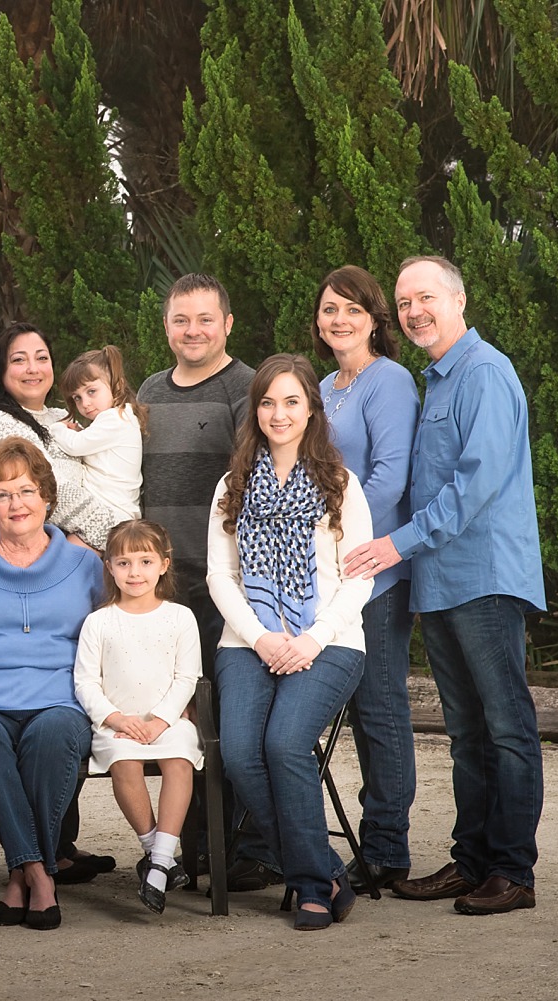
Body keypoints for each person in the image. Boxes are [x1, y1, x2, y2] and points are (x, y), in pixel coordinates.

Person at [346, 255, 545, 916]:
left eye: (425, 297)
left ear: (458, 299)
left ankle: (513, 870)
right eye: (404, 302)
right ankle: (473, 861)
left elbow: (472, 489)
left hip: (484, 579)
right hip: (442, 584)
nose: (414, 311)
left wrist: (392, 544)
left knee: (507, 728)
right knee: (468, 733)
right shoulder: (439, 379)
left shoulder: (484, 373)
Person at [206, 353, 373, 930]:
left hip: (329, 642)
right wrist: (259, 637)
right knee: (238, 752)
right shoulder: (233, 486)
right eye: (268, 402)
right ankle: (325, 870)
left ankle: (308, 885)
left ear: (311, 411)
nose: (279, 413)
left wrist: (312, 639)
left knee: (283, 745)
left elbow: (360, 576)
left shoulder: (341, 486)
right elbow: (220, 576)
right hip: (247, 639)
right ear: (256, 411)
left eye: (292, 402)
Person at [137, 273, 265, 891]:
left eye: (205, 320)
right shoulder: (149, 390)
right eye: (181, 320)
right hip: (161, 585)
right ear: (166, 326)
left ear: (228, 324)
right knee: (178, 716)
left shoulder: (245, 387)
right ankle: (193, 852)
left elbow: (254, 478)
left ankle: (241, 847)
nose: (193, 331)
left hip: (222, 582)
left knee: (227, 716)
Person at [0, 437, 103, 930]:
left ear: (48, 498)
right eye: (2, 494)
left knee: (54, 734)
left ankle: (21, 874)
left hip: (61, 698)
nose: (16, 504)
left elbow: (114, 636)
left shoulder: (88, 566)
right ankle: (40, 872)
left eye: (27, 491)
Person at [312, 266, 420, 895]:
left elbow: (388, 479)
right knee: (344, 708)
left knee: (379, 708)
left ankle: (386, 847)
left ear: (375, 317)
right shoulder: (323, 385)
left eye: (352, 309)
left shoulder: (390, 381)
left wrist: (334, 536)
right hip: (324, 574)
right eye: (329, 309)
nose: (339, 320)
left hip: (373, 570)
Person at [74, 520, 203, 915]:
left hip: (167, 721)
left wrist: (161, 721)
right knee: (123, 764)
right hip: (118, 723)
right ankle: (159, 856)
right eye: (124, 563)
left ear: (164, 564)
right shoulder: (99, 621)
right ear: (109, 568)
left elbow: (187, 677)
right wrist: (114, 718)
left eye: (145, 561)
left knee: (180, 761)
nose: (135, 572)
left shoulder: (180, 617)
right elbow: (85, 682)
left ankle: (158, 862)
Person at [0, 323, 116, 550]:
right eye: (19, 360)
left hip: (74, 562)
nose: (33, 368)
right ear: (0, 370)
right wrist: (119, 530)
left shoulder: (61, 418)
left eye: (42, 358)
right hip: (16, 568)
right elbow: (50, 492)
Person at [52, 344, 145, 527]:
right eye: (77, 398)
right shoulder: (118, 417)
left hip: (112, 513)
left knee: (69, 553)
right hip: (111, 510)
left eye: (91, 391)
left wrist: (56, 428)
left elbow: (75, 445)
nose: (85, 403)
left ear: (116, 385)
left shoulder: (115, 419)